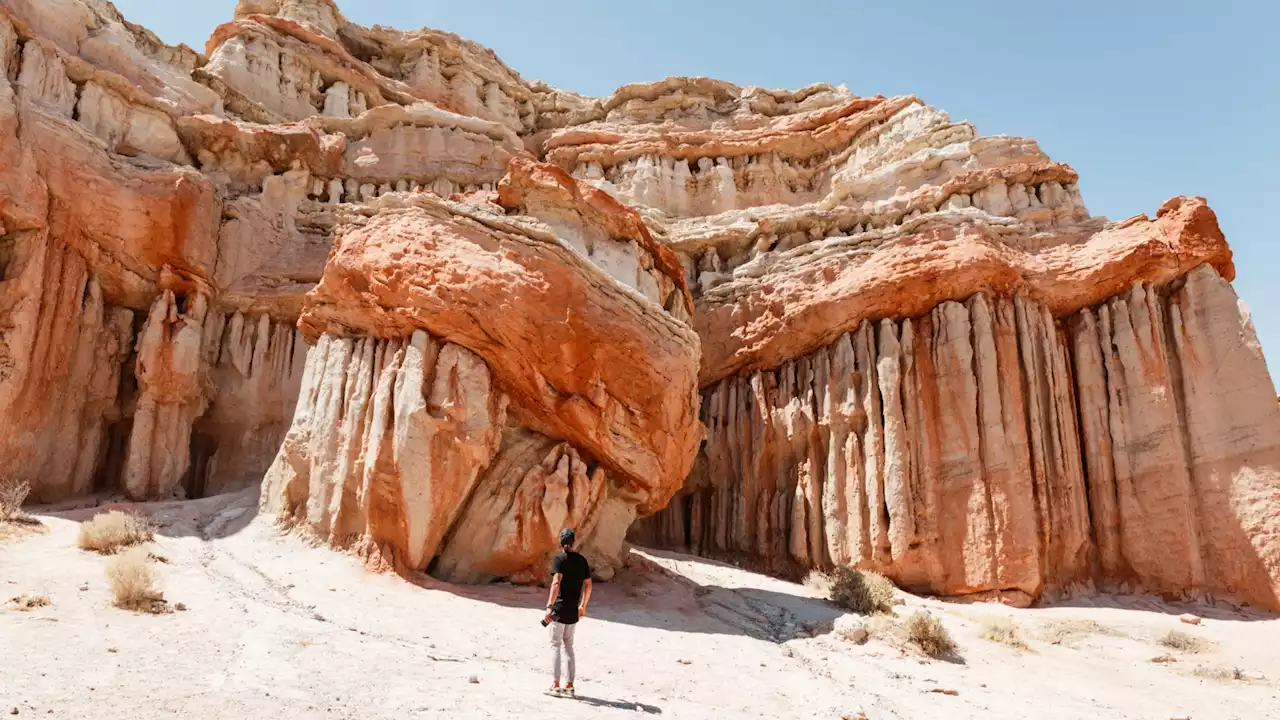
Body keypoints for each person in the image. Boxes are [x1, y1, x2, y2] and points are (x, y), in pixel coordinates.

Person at [543, 527, 591, 697]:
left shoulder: (560, 559)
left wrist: (549, 605)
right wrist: (583, 605)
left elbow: (556, 583)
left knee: (555, 645)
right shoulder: (582, 561)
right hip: (573, 612)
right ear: (573, 542)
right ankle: (569, 686)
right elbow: (588, 585)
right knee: (569, 647)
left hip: (559, 610)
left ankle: (555, 685)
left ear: (561, 542)